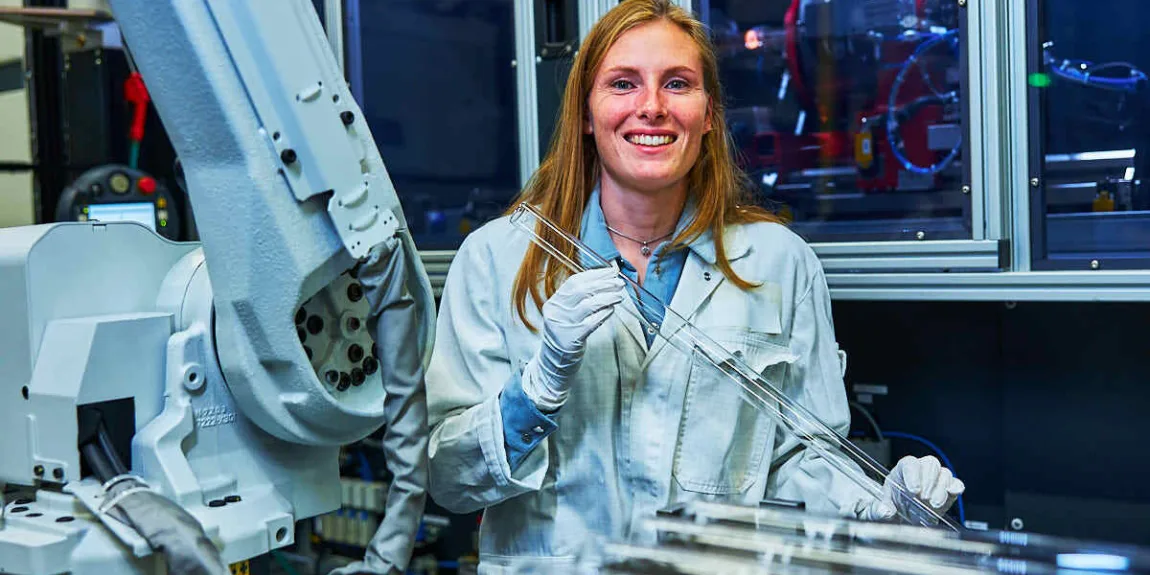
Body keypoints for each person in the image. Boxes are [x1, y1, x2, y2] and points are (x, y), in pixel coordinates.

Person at [425, 0, 965, 571]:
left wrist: (881, 505)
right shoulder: (497, 257)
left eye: (678, 84)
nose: (652, 107)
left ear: (709, 114)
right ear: (586, 113)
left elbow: (805, 460)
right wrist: (535, 391)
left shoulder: (780, 263)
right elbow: (447, 479)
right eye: (623, 84)